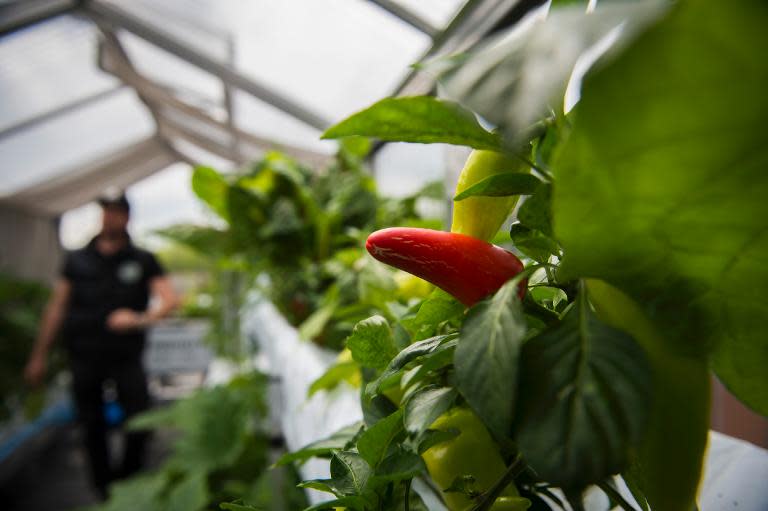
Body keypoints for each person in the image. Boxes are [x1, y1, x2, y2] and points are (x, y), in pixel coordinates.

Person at [24, 191, 178, 498]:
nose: (110, 218)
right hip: (84, 353)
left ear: (126, 217)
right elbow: (57, 306)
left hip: (125, 354)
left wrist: (137, 318)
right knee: (91, 424)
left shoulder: (142, 259)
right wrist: (39, 355)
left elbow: (169, 300)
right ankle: (102, 488)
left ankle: (128, 480)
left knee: (139, 416)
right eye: (106, 212)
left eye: (116, 212)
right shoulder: (78, 259)